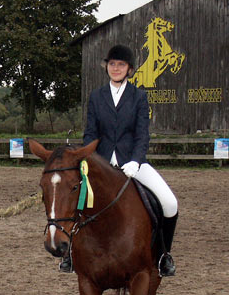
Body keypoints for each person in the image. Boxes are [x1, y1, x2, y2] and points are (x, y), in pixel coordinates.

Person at [60, 44, 178, 276]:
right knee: (74, 200)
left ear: (129, 69)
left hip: (132, 163)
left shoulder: (139, 97)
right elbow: (91, 132)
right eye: (112, 64)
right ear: (107, 67)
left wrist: (135, 160)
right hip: (100, 163)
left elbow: (142, 133)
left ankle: (164, 255)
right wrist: (88, 157)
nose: (116, 68)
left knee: (170, 203)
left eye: (121, 64)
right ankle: (71, 255)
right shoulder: (97, 96)